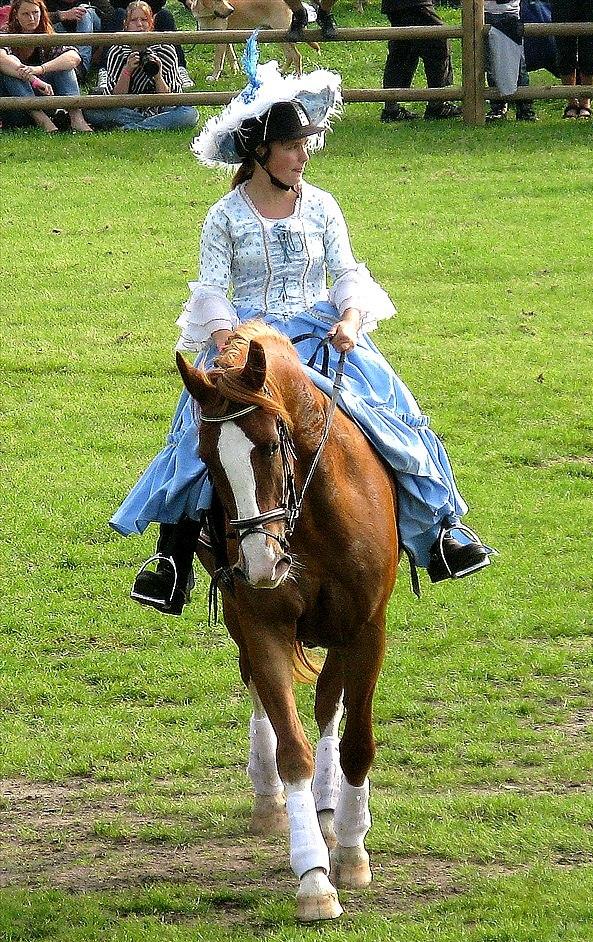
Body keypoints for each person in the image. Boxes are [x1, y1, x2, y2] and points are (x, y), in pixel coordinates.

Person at [110, 50, 495, 615]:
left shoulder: (322, 207)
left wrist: (351, 320)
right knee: (197, 443)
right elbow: (212, 291)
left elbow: (346, 275)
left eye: (306, 143)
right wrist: (225, 343)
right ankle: (171, 561)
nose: (304, 154)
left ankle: (443, 531)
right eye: (293, 146)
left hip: (323, 337)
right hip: (248, 348)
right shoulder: (224, 216)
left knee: (395, 418)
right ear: (261, 152)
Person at [84, 1, 197, 131]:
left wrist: (158, 75)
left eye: (144, 20)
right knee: (90, 111)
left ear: (151, 24)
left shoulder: (165, 49)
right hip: (127, 110)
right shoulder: (117, 51)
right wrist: (127, 71)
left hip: (161, 108)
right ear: (125, 25)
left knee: (189, 113)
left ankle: (133, 127)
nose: (139, 25)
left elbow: (172, 98)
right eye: (133, 20)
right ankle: (154, 123)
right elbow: (113, 98)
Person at [0, 0, 92, 132]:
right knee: (11, 68)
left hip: (47, 98)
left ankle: (76, 118)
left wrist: (40, 69)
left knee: (63, 65)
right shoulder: (6, 33)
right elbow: (2, 59)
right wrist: (34, 80)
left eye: (35, 13)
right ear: (16, 15)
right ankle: (42, 120)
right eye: (25, 14)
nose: (31, 18)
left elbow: (74, 57)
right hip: (16, 107)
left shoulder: (47, 33)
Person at [380, 0, 463, 122]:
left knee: (404, 48)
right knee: (437, 43)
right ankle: (438, 103)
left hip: (400, 5)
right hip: (413, 4)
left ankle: (391, 108)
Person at [484, 0, 537, 122]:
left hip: (510, 14)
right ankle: (498, 107)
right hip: (485, 13)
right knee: (492, 65)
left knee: (518, 66)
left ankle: (525, 108)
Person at [550, 0, 593, 119]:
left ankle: (585, 102)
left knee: (589, 52)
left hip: (592, 4)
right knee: (565, 50)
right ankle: (571, 102)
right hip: (562, 4)